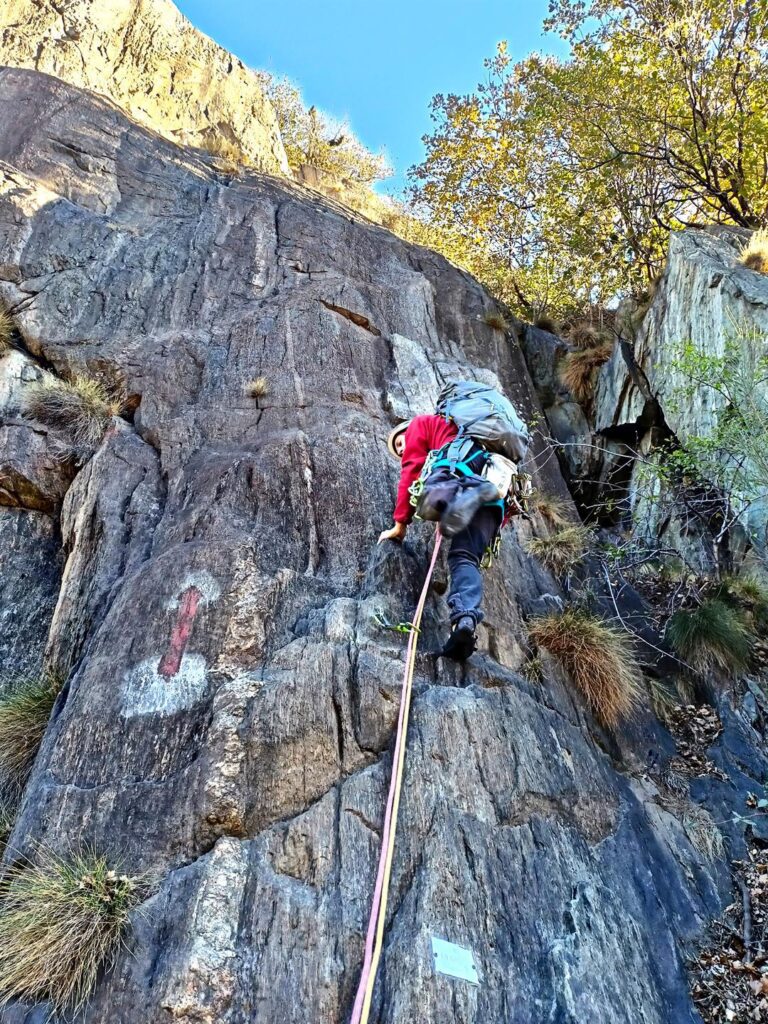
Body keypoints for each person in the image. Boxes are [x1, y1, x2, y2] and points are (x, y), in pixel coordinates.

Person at [378, 413, 505, 661]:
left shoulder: (421, 424)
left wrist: (400, 524)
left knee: (427, 503)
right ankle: (464, 624)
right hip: (495, 495)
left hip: (459, 470)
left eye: (401, 442)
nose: (403, 448)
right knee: (464, 558)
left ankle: (462, 494)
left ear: (407, 429)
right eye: (399, 448)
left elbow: (412, 469)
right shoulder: (481, 439)